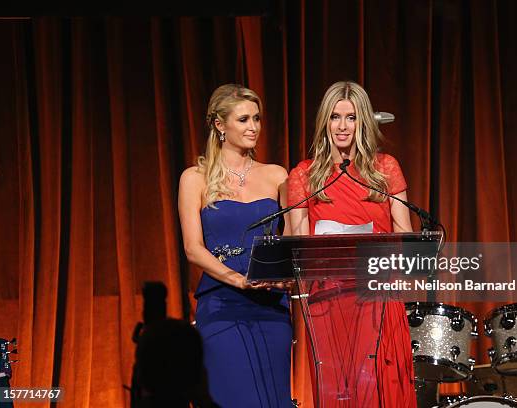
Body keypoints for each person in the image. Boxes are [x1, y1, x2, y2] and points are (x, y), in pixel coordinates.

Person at [287, 81, 416, 407]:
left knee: (381, 387)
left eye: (351, 117)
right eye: (335, 117)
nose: (342, 126)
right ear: (324, 122)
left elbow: (404, 232)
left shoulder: (385, 168)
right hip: (328, 299)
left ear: (363, 123)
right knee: (341, 390)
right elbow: (297, 246)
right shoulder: (304, 175)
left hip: (379, 294)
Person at [178, 84, 292, 407]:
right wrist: (238, 279)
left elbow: (294, 238)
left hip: (271, 307)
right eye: (243, 120)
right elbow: (192, 248)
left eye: (257, 118)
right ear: (219, 125)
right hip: (222, 306)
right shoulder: (194, 178)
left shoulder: (276, 176)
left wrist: (285, 275)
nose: (253, 127)